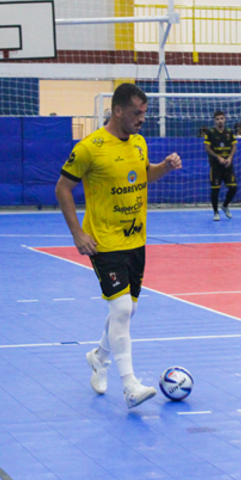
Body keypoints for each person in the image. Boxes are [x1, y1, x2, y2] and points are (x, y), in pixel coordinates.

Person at [55, 83, 182, 409]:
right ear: (118, 111)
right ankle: (130, 386)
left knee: (127, 309)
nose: (142, 119)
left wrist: (163, 168)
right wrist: (77, 235)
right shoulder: (89, 147)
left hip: (136, 239)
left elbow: (143, 176)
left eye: (145, 113)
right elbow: (63, 189)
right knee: (122, 308)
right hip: (104, 241)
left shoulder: (139, 143)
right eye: (138, 113)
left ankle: (99, 358)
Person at [203, 110, 237, 221]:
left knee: (233, 188)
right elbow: (207, 148)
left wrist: (230, 158)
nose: (220, 121)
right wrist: (218, 158)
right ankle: (215, 212)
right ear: (214, 121)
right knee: (215, 190)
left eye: (222, 118)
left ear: (225, 119)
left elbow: (234, 146)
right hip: (216, 166)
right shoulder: (210, 132)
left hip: (227, 165)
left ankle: (225, 205)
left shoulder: (229, 132)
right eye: (217, 119)